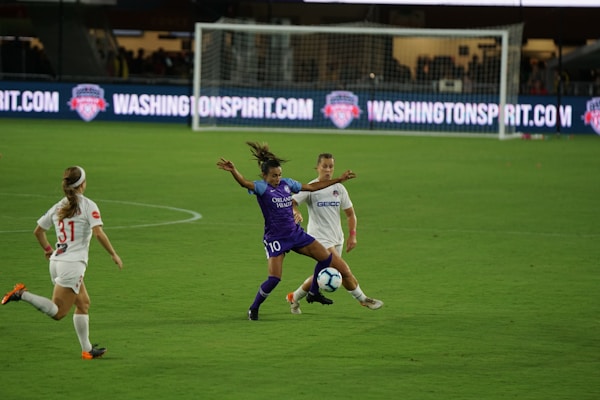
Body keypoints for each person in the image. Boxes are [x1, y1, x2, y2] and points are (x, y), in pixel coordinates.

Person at [217, 142, 358, 321]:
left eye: (279, 175)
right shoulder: (262, 188)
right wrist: (233, 171)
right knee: (274, 279)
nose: (278, 179)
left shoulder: (287, 184)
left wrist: (339, 179)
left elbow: (312, 187)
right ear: (264, 175)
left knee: (326, 258)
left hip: (295, 234)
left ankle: (313, 292)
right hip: (276, 238)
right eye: (274, 176)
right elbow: (244, 182)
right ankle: (254, 307)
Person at [1, 166, 123, 359]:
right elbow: (99, 233)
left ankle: (87, 349)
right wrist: (113, 254)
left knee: (83, 303)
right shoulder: (88, 205)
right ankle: (22, 294)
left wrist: (48, 250)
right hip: (72, 266)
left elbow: (38, 232)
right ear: (82, 184)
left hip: (57, 262)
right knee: (58, 312)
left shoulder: (59, 206)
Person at [287, 153, 383, 314]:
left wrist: (352, 235)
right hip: (319, 238)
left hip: (337, 238)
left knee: (327, 274)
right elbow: (292, 202)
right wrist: (296, 211)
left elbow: (350, 214)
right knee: (344, 270)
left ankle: (294, 297)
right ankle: (363, 300)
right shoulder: (311, 187)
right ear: (317, 167)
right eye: (324, 166)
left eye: (331, 166)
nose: (328, 169)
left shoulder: (339, 189)